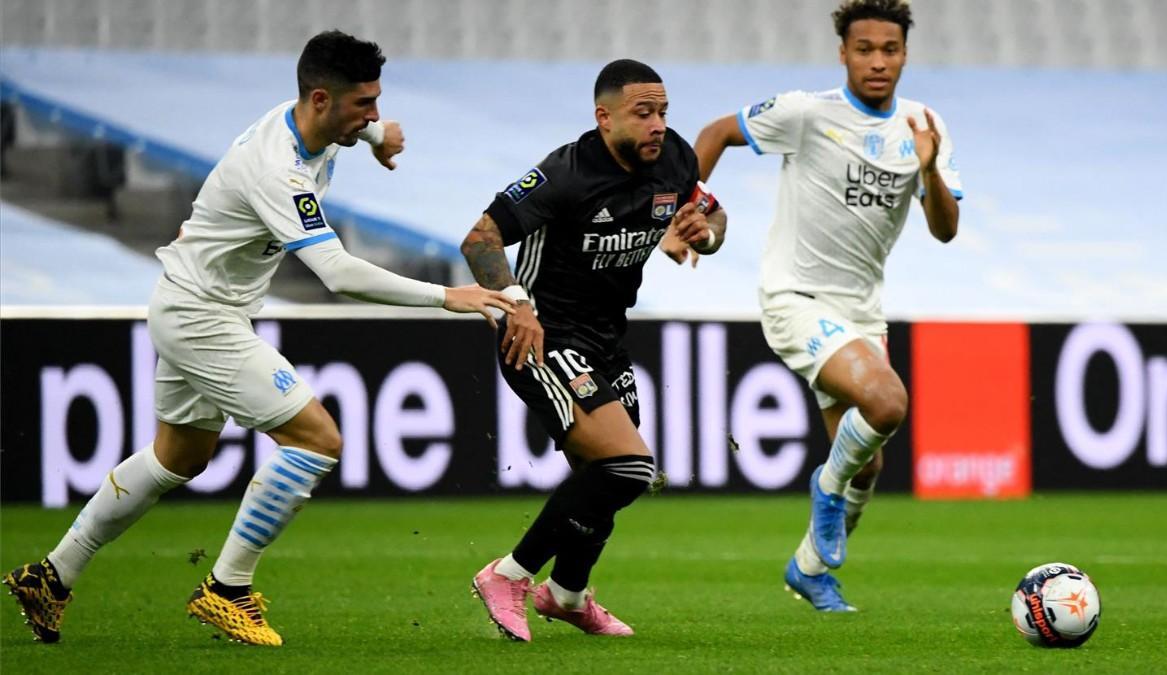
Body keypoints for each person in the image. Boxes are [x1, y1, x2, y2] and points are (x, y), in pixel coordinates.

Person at [3, 30, 514, 646]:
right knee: (318, 439)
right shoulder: (277, 168)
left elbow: (354, 126)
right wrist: (446, 297)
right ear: (322, 99)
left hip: (195, 303)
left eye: (377, 101)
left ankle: (52, 576)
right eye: (365, 105)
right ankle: (227, 588)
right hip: (202, 316)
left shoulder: (315, 122)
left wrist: (378, 137)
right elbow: (337, 274)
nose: (374, 113)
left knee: (178, 457)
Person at [668, 0, 962, 611]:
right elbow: (716, 133)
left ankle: (808, 569)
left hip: (862, 313)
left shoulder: (923, 125)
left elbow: (945, 229)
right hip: (795, 297)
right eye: (864, 49)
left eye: (890, 50)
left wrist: (929, 169)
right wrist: (685, 206)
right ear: (843, 54)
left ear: (905, 54)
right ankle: (824, 491)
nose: (877, 62)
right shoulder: (806, 112)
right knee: (887, 401)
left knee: (869, 468)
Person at [460, 59, 727, 641]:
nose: (658, 124)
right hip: (544, 336)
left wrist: (705, 230)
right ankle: (509, 575)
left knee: (600, 477)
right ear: (604, 118)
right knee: (628, 466)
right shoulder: (566, 173)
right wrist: (516, 304)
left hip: (606, 338)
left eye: (662, 112)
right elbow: (479, 239)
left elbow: (713, 213)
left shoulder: (676, 157)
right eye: (644, 113)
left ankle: (567, 594)